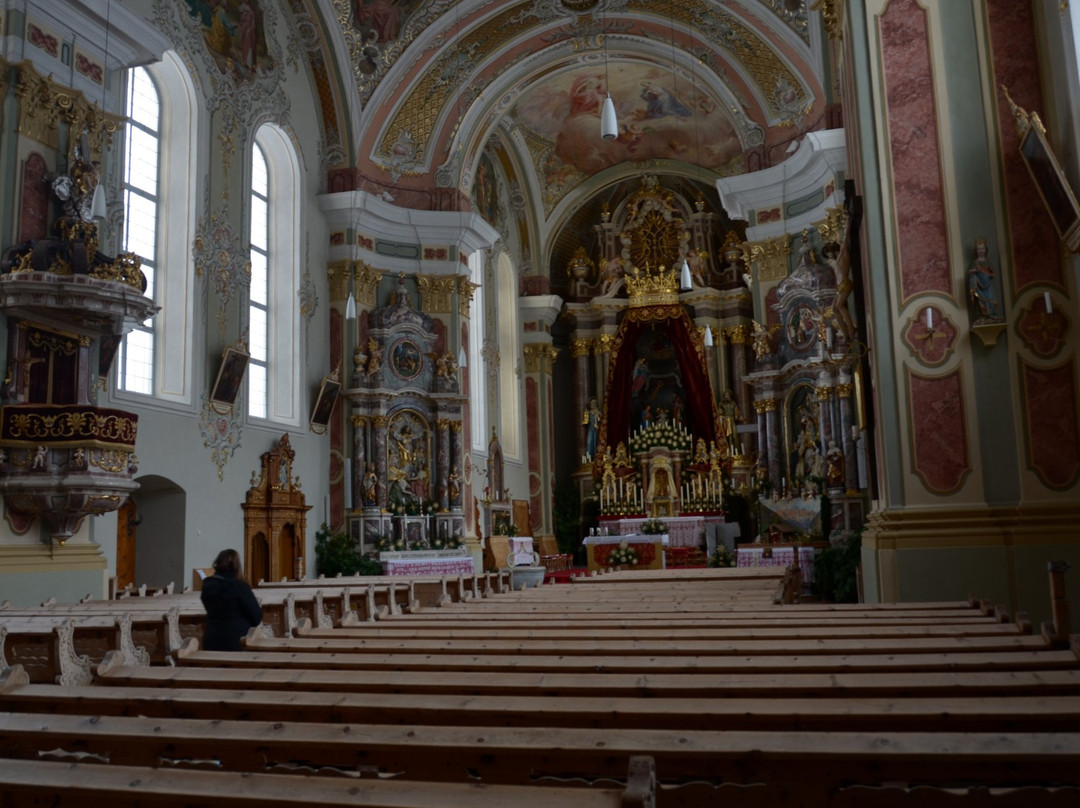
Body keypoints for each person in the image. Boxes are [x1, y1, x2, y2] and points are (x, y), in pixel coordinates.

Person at [200, 549, 262, 652]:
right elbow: (256, 617)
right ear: (237, 565)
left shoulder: (208, 584)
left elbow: (209, 607)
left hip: (212, 639)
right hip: (236, 640)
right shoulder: (240, 587)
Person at [967, 238, 1002, 321]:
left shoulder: (988, 261)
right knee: (980, 301)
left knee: (991, 300)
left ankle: (992, 315)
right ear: (976, 251)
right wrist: (976, 271)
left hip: (988, 286)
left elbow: (993, 273)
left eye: (982, 248)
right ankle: (982, 316)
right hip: (978, 285)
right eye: (979, 249)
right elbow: (970, 271)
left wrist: (990, 274)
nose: (981, 251)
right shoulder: (974, 262)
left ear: (985, 250)